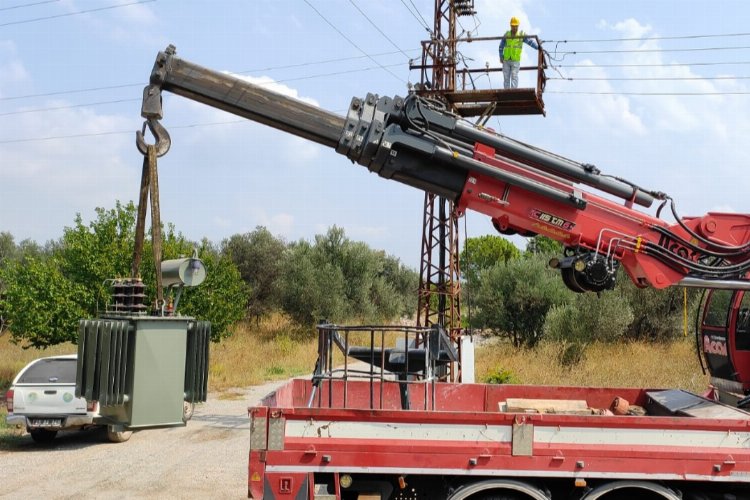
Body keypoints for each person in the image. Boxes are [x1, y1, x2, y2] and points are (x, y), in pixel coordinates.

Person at [498, 16, 538, 89]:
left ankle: (513, 92)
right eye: (513, 26)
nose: (514, 28)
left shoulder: (521, 34)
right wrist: (501, 56)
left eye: (516, 26)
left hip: (515, 60)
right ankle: (506, 92)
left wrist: (537, 46)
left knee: (514, 76)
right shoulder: (507, 34)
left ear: (518, 26)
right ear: (511, 26)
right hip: (506, 60)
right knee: (506, 77)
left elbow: (530, 41)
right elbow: (501, 46)